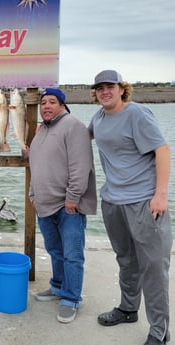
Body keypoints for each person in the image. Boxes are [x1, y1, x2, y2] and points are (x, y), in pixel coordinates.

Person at [88, 70, 172, 345]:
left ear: (122, 89)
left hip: (143, 202)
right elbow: (77, 134)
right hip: (113, 201)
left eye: (110, 86)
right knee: (126, 260)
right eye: (99, 88)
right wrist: (47, 123)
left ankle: (159, 330)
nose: (104, 91)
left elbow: (162, 151)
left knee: (153, 267)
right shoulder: (98, 118)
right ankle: (127, 308)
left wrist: (160, 194)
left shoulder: (137, 114)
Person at [28, 88, 97, 323]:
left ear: (63, 105)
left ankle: (71, 298)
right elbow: (36, 165)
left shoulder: (73, 126)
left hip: (67, 207)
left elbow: (81, 166)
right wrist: (32, 195)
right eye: (43, 102)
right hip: (44, 205)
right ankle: (57, 286)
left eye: (52, 102)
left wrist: (73, 198)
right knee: (55, 251)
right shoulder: (41, 131)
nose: (46, 106)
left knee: (72, 255)